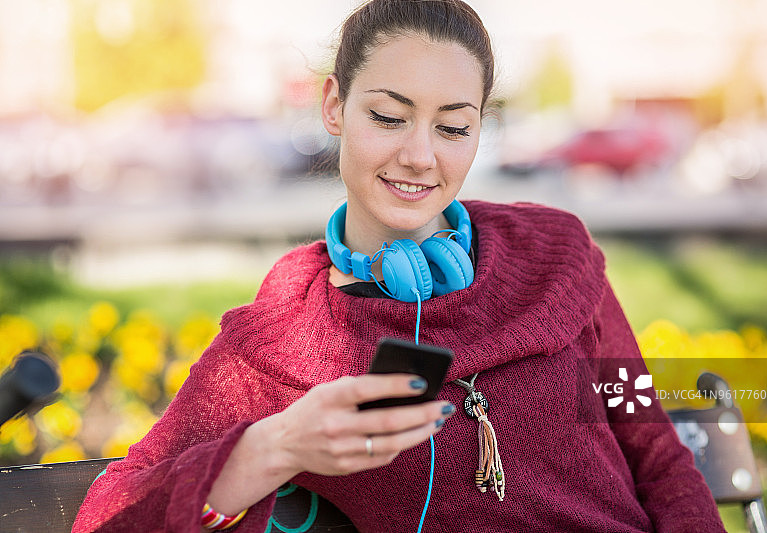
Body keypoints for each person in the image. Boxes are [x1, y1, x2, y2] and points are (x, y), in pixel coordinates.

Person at [74, 1, 726, 531]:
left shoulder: (560, 254)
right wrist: (276, 447)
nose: (420, 156)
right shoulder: (276, 339)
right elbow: (111, 512)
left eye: (452, 127)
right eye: (389, 116)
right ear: (334, 106)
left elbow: (658, 449)